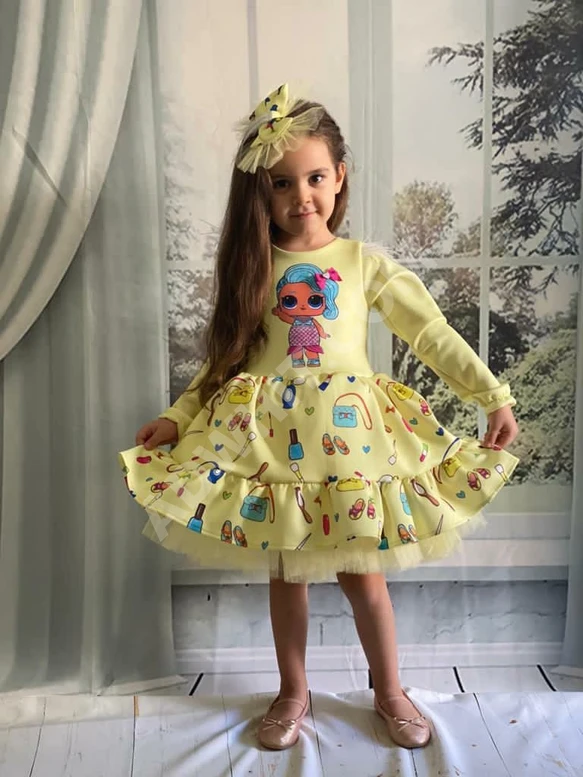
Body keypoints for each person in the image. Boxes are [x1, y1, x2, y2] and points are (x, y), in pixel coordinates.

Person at [118, 83, 520, 751]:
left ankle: (389, 690)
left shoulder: (362, 264)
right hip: (274, 449)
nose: (300, 196)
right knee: (286, 574)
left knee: (363, 575)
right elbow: (222, 363)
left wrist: (492, 394)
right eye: (281, 183)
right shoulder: (255, 266)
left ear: (339, 177)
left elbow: (431, 333)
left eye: (313, 178)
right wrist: (178, 418)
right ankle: (292, 690)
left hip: (349, 445)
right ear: (261, 192)